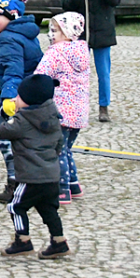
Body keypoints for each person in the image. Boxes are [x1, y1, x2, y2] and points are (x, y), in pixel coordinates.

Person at [0, 74, 71, 259]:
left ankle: (22, 241)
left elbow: (0, 131)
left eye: (18, 97)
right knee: (49, 210)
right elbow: (59, 144)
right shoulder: (53, 117)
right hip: (51, 177)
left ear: (29, 101)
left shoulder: (23, 121)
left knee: (15, 206)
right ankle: (59, 242)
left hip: (30, 178)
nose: (15, 99)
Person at [0, 0, 43, 204]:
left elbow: (13, 69)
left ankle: (16, 183)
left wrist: (9, 97)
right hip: (30, 97)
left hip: (15, 99)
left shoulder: (8, 39)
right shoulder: (26, 34)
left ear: (13, 16)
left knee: (7, 141)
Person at [60, 0, 121, 123]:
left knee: (103, 73)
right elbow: (64, 2)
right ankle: (79, 105)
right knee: (78, 73)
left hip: (103, 32)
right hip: (80, 34)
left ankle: (104, 107)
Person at [34, 12, 90, 205]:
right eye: (50, 30)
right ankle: (74, 184)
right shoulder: (82, 52)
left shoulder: (56, 52)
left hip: (60, 110)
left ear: (68, 32)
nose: (51, 34)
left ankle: (61, 188)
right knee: (66, 148)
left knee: (56, 150)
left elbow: (40, 75)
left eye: (56, 30)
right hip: (79, 112)